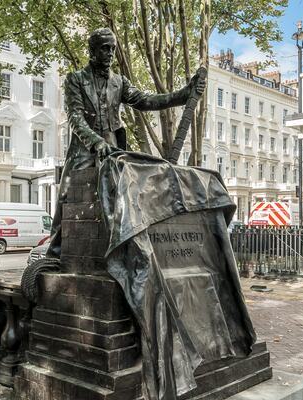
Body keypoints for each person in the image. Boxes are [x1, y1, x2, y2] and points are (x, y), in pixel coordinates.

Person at [46, 27, 206, 258]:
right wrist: (95, 142)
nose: (110, 53)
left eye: (113, 48)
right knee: (66, 196)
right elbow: (75, 118)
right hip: (84, 148)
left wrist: (183, 94)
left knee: (122, 197)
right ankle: (54, 254)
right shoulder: (76, 79)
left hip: (112, 148)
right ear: (92, 51)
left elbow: (146, 101)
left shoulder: (119, 82)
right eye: (105, 48)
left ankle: (118, 251)